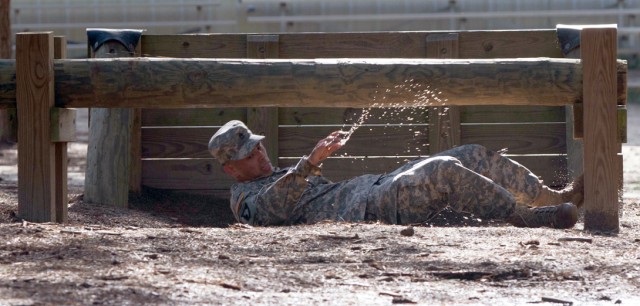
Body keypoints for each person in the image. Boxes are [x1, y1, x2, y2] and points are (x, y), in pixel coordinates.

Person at [208, 120, 583, 228]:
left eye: (257, 146)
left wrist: (309, 164)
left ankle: (551, 197)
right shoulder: (244, 201)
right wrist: (310, 163)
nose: (259, 154)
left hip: (379, 188)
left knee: (466, 153)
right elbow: (270, 214)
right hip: (374, 208)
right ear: (230, 169)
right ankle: (525, 218)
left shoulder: (284, 172)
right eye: (247, 155)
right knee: (443, 170)